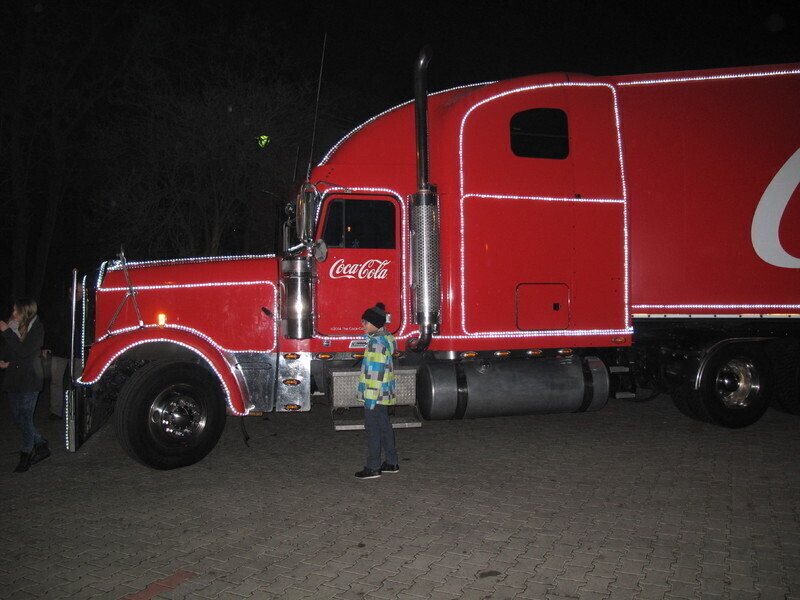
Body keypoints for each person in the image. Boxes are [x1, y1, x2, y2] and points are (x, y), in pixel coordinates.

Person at [0, 299, 50, 473]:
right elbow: (10, 350)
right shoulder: (12, 325)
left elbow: (23, 351)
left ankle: (26, 453)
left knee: (25, 417)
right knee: (17, 418)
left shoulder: (37, 329)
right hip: (14, 378)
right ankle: (41, 444)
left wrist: (7, 332)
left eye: (16, 311)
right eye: (13, 310)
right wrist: (3, 361)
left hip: (30, 379)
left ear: (26, 312)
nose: (13, 314)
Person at [354, 302, 399, 479]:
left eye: (365, 322)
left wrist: (370, 400)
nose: (363, 325)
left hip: (374, 395)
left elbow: (374, 373)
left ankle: (373, 466)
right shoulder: (386, 340)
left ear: (375, 323)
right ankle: (391, 462)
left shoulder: (375, 344)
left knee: (373, 428)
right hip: (384, 394)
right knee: (384, 425)